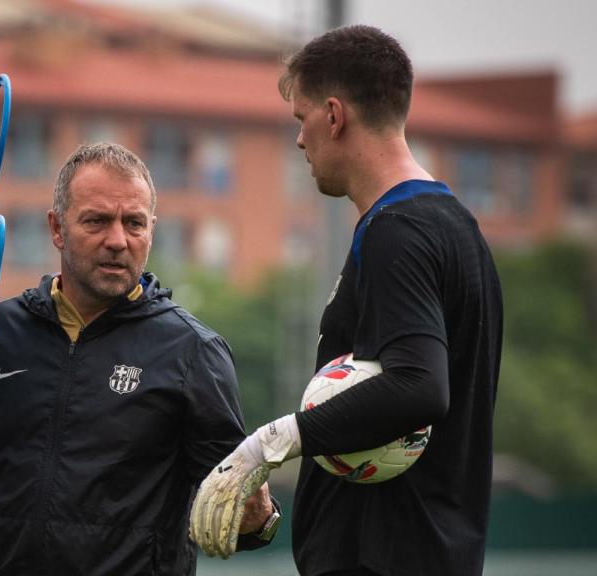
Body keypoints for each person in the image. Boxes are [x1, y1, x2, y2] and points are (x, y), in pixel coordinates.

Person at [190, 25, 503, 576]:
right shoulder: (457, 228)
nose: (299, 140)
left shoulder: (397, 232)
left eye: (301, 119)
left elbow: (419, 387)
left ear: (334, 116)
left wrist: (267, 445)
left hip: (380, 560)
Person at [0, 142, 280, 575]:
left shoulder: (193, 351)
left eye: (134, 223)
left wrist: (260, 518)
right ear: (57, 227)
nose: (118, 240)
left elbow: (242, 516)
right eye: (97, 221)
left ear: (151, 230)